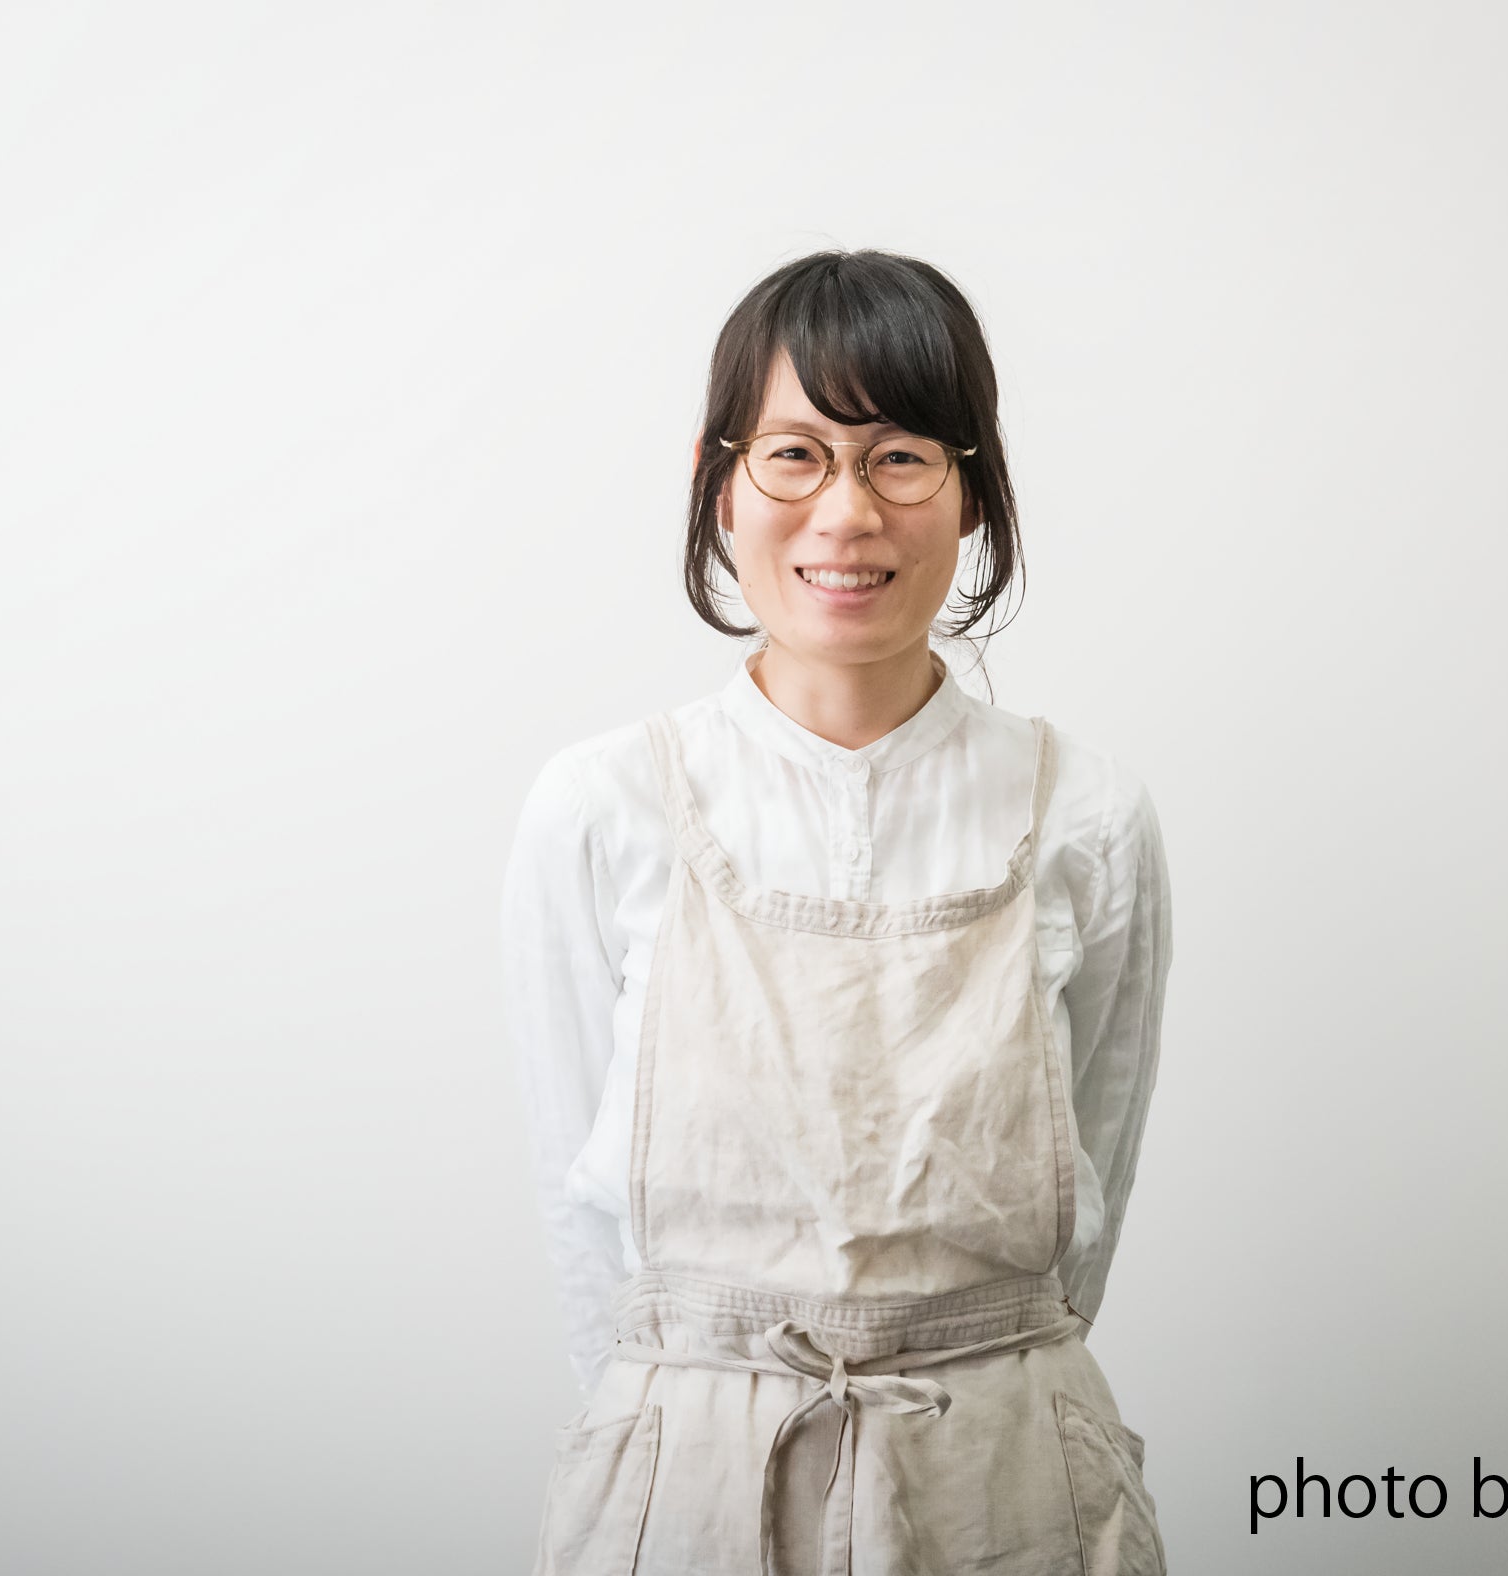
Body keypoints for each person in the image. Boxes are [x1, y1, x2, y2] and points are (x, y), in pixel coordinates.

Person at [501, 249, 1173, 1575]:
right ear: (720, 480)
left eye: (901, 457)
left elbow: (1090, 1194)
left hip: (1004, 1478)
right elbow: (580, 1215)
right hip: (685, 1483)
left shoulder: (1089, 816)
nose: (847, 513)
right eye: (795, 456)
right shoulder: (601, 805)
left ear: (973, 491)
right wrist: (667, 1419)